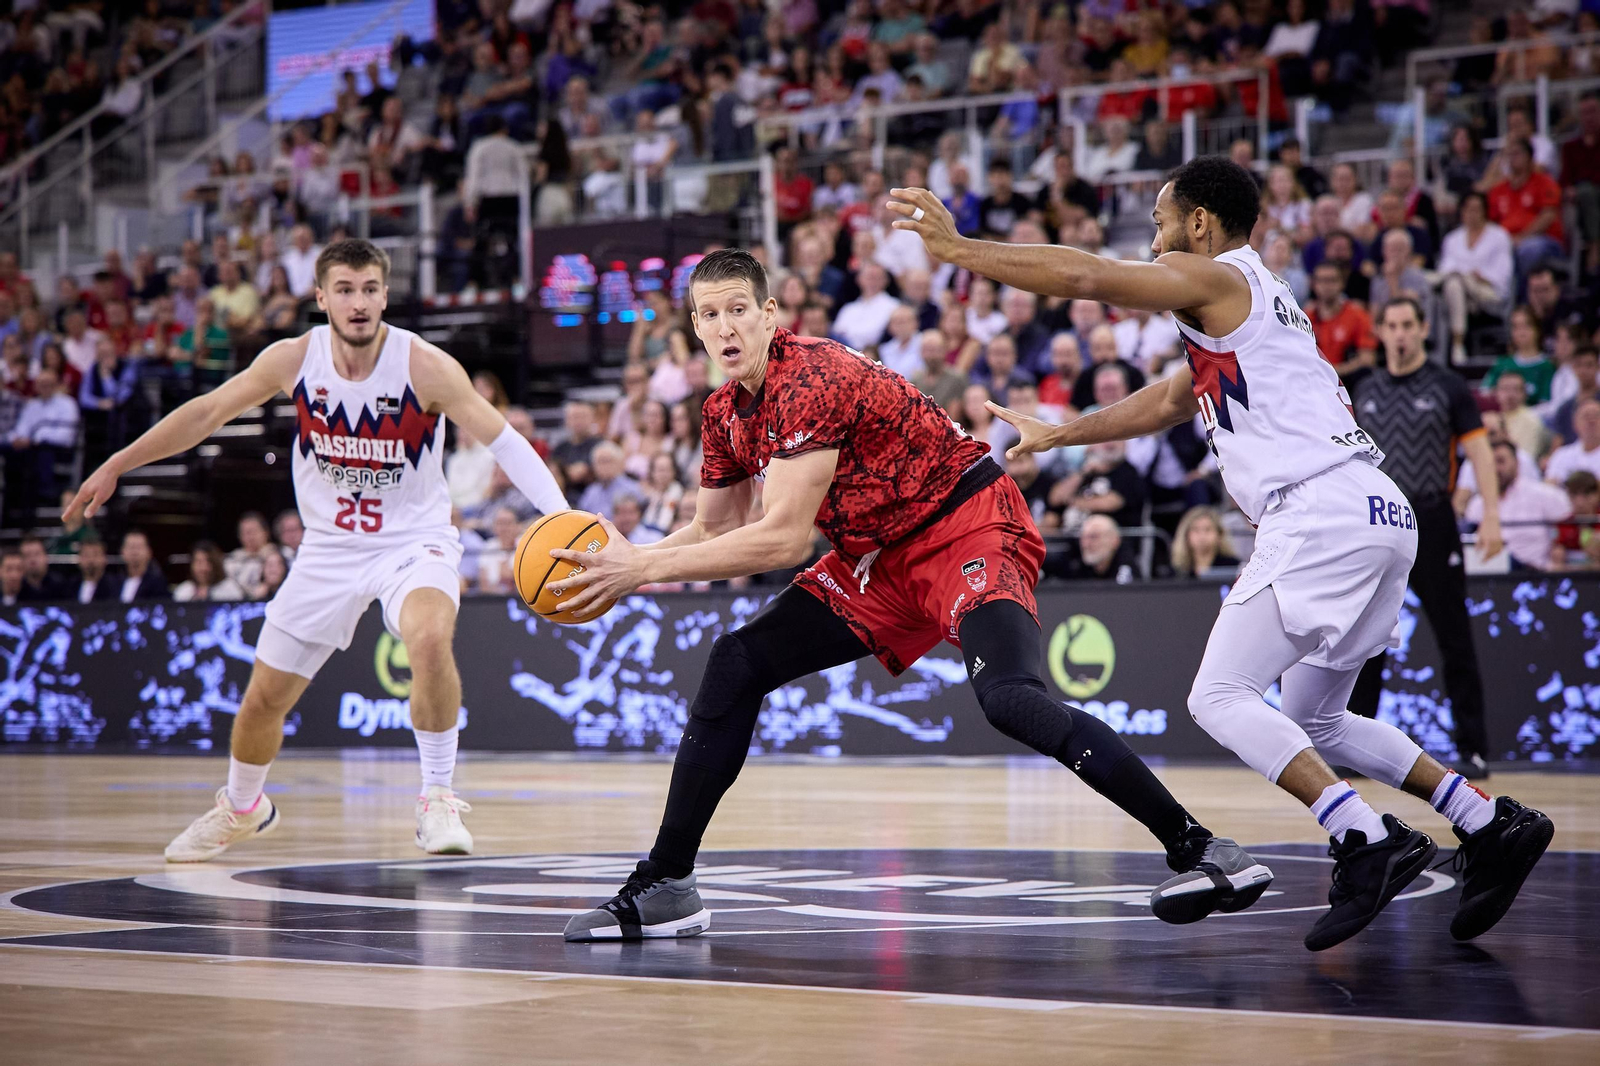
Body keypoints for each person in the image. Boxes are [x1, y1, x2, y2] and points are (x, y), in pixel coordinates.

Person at [893, 158, 1553, 950]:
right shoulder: (1256, 301)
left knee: (1218, 696)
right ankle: (1485, 821)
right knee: (1320, 717)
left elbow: (1089, 277)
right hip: (1379, 509)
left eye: (1165, 222)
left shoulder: (1211, 275)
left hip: (1318, 511)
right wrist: (1063, 432)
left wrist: (961, 249)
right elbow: (1174, 399)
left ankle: (1364, 838)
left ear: (1200, 224)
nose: (1158, 238)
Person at [554, 248, 1268, 942]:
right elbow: (716, 526)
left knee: (1011, 699)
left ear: (770, 314)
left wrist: (640, 574)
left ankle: (1200, 847)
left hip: (965, 523)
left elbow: (779, 542)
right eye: (708, 315)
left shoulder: (811, 376)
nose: (725, 327)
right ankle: (667, 885)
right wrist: (630, 558)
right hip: (876, 558)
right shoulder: (721, 414)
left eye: (738, 309)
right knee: (735, 663)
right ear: (695, 326)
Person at [69, 239, 570, 863]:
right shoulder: (292, 359)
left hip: (412, 542)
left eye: (368, 290)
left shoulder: (426, 366)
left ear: (385, 296)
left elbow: (506, 441)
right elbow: (206, 412)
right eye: (344, 290)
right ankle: (243, 806)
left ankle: (436, 797)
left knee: (430, 638)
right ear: (321, 297)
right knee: (263, 700)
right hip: (328, 548)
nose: (357, 303)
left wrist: (564, 517)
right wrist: (119, 461)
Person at [1465, 440, 1568, 569]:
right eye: (1491, 463)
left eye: (1501, 461)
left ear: (1517, 464)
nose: (1496, 469)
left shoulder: (1543, 495)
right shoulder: (1477, 504)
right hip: (1493, 576)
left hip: (1534, 574)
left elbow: (1571, 521)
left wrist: (1558, 545)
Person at [1170, 505, 1240, 578]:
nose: (1202, 536)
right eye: (1196, 530)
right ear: (1186, 535)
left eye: (1208, 529)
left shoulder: (1233, 566)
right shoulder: (1177, 570)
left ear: (1219, 534)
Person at [1545, 398, 1600, 485]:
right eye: (1586, 416)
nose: (1591, 421)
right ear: (1575, 423)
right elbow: (1550, 487)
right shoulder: (1561, 455)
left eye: (1596, 416)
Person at [173, 541, 246, 602]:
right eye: (199, 562)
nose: (203, 568)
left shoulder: (229, 589)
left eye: (208, 562)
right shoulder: (183, 591)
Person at [17, 535, 69, 601]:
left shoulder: (61, 585)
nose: (32, 560)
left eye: (37, 554)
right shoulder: (17, 588)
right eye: (27, 555)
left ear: (46, 557)